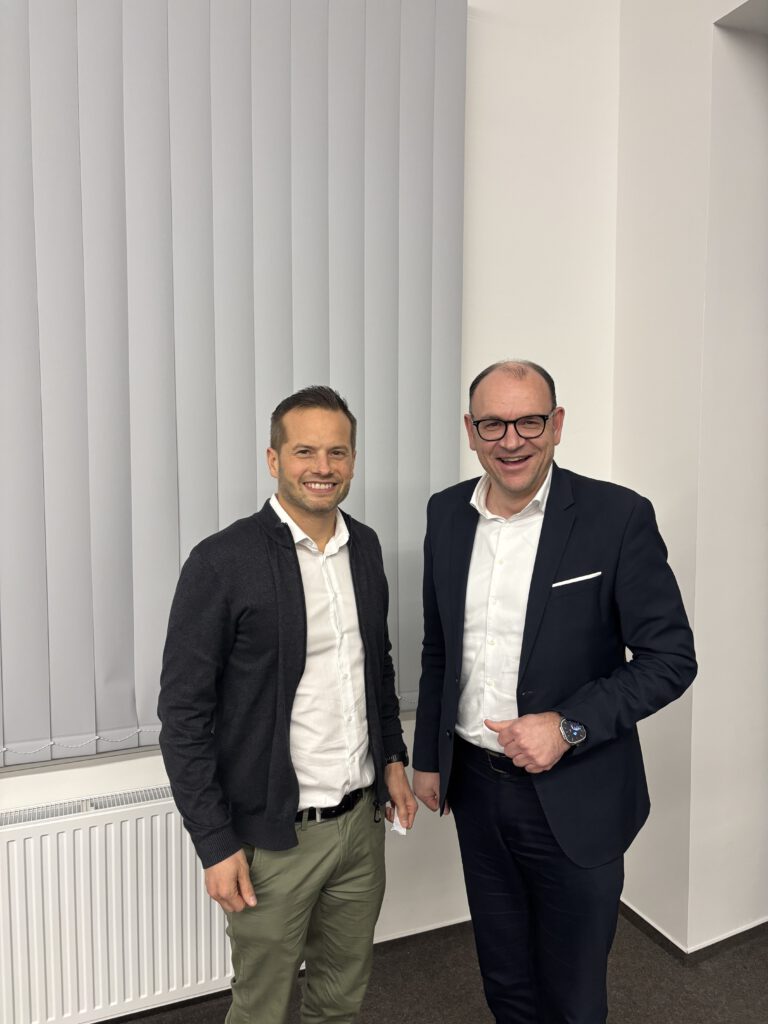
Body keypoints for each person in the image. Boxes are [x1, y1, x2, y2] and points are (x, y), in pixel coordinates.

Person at [411, 360, 696, 1024]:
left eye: (530, 421)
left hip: (577, 793)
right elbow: (438, 647)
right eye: (493, 424)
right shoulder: (446, 513)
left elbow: (670, 659)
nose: (512, 440)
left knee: (572, 995)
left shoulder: (616, 516)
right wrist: (428, 754)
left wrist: (568, 725)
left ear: (558, 424)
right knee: (505, 978)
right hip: (476, 789)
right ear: (471, 431)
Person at [158, 385, 417, 1024]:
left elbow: (375, 668)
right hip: (274, 840)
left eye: (337, 452)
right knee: (262, 1007)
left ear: (352, 460)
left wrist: (392, 759)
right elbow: (184, 716)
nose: (322, 467)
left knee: (340, 997)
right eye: (304, 451)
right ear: (274, 459)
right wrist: (214, 843)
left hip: (361, 827)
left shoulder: (366, 548)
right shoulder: (222, 561)